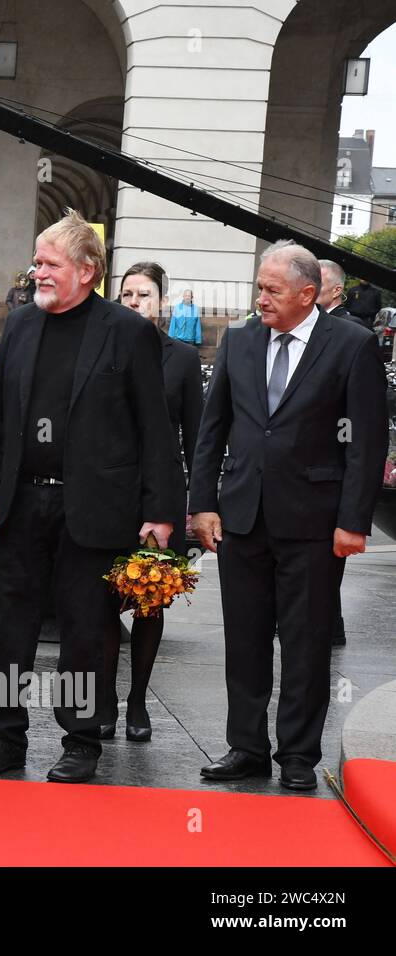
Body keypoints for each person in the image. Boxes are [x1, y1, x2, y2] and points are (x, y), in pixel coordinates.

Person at [0, 209, 181, 784]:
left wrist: (160, 511)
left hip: (95, 510)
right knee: (14, 627)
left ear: (87, 271)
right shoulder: (22, 325)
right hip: (22, 504)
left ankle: (81, 742)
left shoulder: (127, 331)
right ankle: (5, 736)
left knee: (85, 632)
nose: (36, 272)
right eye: (36, 261)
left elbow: (155, 429)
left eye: (48, 263)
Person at [189, 240, 387, 792]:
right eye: (258, 287)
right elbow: (213, 428)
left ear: (308, 294)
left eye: (272, 290)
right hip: (242, 518)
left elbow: (366, 445)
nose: (261, 298)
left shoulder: (352, 344)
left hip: (315, 523)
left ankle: (297, 753)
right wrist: (202, 504)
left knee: (305, 641)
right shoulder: (241, 340)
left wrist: (352, 521)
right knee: (244, 638)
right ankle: (245, 747)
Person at [100, 261, 203, 741]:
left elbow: (196, 440)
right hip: (104, 493)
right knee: (100, 601)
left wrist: (195, 504)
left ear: (162, 302)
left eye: (143, 295)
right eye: (127, 295)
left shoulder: (180, 359)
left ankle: (136, 700)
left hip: (159, 496)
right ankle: (100, 703)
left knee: (149, 600)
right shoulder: (101, 349)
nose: (135, 303)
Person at [317, 260, 361, 646]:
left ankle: (330, 624)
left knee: (328, 560)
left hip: (333, 456)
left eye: (319, 284)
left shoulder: (352, 333)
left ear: (335, 291)